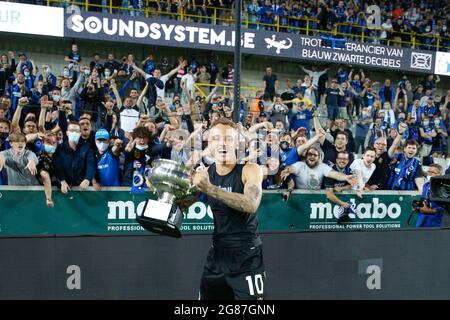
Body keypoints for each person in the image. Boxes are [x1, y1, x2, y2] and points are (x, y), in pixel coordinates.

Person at [186, 117, 266, 300]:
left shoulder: (250, 169)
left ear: (237, 143)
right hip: (217, 257)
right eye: (216, 139)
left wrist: (210, 189)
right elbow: (183, 205)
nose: (222, 144)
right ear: (209, 144)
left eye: (228, 139)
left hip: (247, 258)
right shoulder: (206, 174)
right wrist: (168, 189)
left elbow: (251, 204)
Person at [387, 123, 424, 191]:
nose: (411, 150)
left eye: (413, 148)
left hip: (407, 194)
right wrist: (400, 134)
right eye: (409, 147)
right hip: (390, 192)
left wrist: (422, 194)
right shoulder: (396, 157)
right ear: (404, 149)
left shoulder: (417, 163)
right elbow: (394, 146)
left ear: (416, 151)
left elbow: (419, 180)